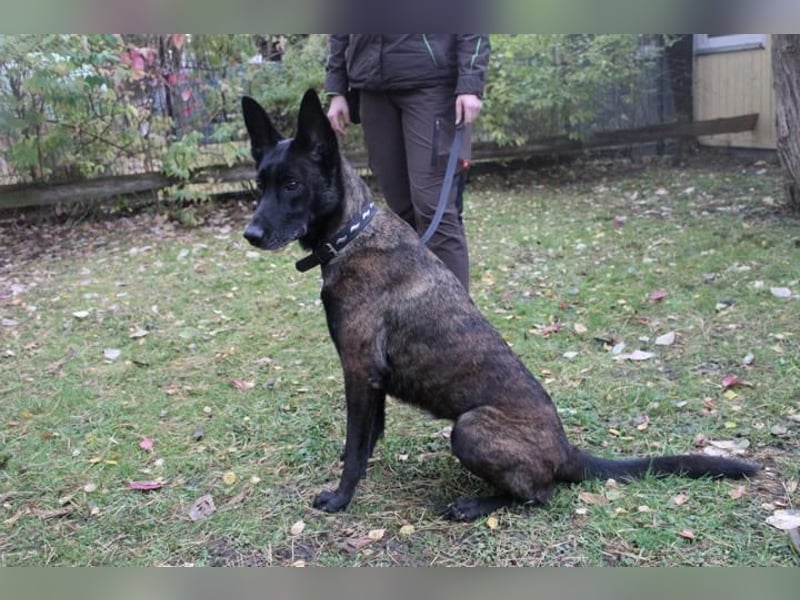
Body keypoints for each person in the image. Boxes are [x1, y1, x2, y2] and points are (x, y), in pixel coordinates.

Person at [324, 34, 490, 292]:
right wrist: (336, 88)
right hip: (371, 87)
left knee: (434, 211)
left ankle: (456, 323)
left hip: (431, 87)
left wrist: (470, 83)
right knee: (400, 211)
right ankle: (417, 312)